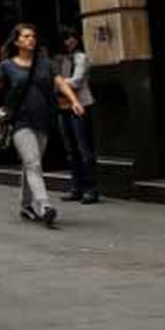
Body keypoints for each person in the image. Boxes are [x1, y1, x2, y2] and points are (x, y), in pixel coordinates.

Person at [0, 23, 85, 226]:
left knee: (31, 164)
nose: (31, 39)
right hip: (20, 122)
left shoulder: (45, 63)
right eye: (25, 36)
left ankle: (25, 205)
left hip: (43, 120)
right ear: (16, 41)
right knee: (33, 164)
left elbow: (59, 82)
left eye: (32, 36)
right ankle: (44, 206)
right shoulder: (7, 66)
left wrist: (74, 101)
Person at [56, 26, 99, 204]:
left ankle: (91, 189)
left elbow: (76, 81)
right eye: (66, 38)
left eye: (72, 37)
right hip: (62, 107)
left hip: (80, 105)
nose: (70, 41)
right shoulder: (60, 59)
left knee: (84, 149)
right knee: (70, 150)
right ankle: (76, 187)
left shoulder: (82, 57)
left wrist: (57, 83)